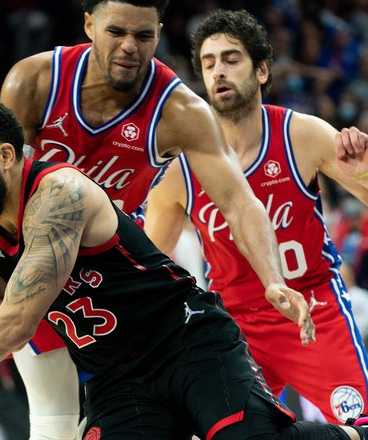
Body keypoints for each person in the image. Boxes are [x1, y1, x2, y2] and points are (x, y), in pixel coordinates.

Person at [0, 95, 368, 440]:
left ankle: (350, 434)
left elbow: (18, 322)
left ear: (4, 155)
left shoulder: (59, 194)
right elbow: (11, 325)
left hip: (186, 341)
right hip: (117, 375)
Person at [0, 1, 314, 437]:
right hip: (35, 265)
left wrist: (272, 278)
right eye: (116, 32)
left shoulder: (180, 111)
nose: (129, 47)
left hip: (115, 279)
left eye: (143, 36)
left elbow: (240, 201)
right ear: (88, 26)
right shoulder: (35, 81)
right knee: (51, 423)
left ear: (158, 32)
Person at [144, 9, 368, 424]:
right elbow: (148, 266)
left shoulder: (302, 134)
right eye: (209, 64)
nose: (219, 72)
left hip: (314, 308)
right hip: (234, 326)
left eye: (231, 59)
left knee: (361, 425)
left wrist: (362, 166)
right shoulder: (180, 171)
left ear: (262, 70)